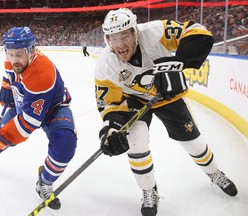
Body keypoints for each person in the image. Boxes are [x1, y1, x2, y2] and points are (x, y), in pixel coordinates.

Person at [95, 8, 238, 216]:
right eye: (113, 38)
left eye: (125, 35)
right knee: (136, 140)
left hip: (168, 97)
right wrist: (110, 128)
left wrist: (179, 63)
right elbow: (108, 103)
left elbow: (198, 32)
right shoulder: (105, 64)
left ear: (135, 32)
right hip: (134, 100)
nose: (119, 44)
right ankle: (148, 190)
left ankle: (214, 173)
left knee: (193, 142)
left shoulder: (154, 32)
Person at [0, 27, 77, 211]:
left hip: (53, 109)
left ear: (31, 51)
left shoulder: (41, 74)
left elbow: (26, 126)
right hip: (25, 103)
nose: (14, 59)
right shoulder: (12, 56)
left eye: (19, 55)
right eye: (10, 54)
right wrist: (6, 85)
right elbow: (9, 71)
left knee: (66, 144)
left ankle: (44, 183)